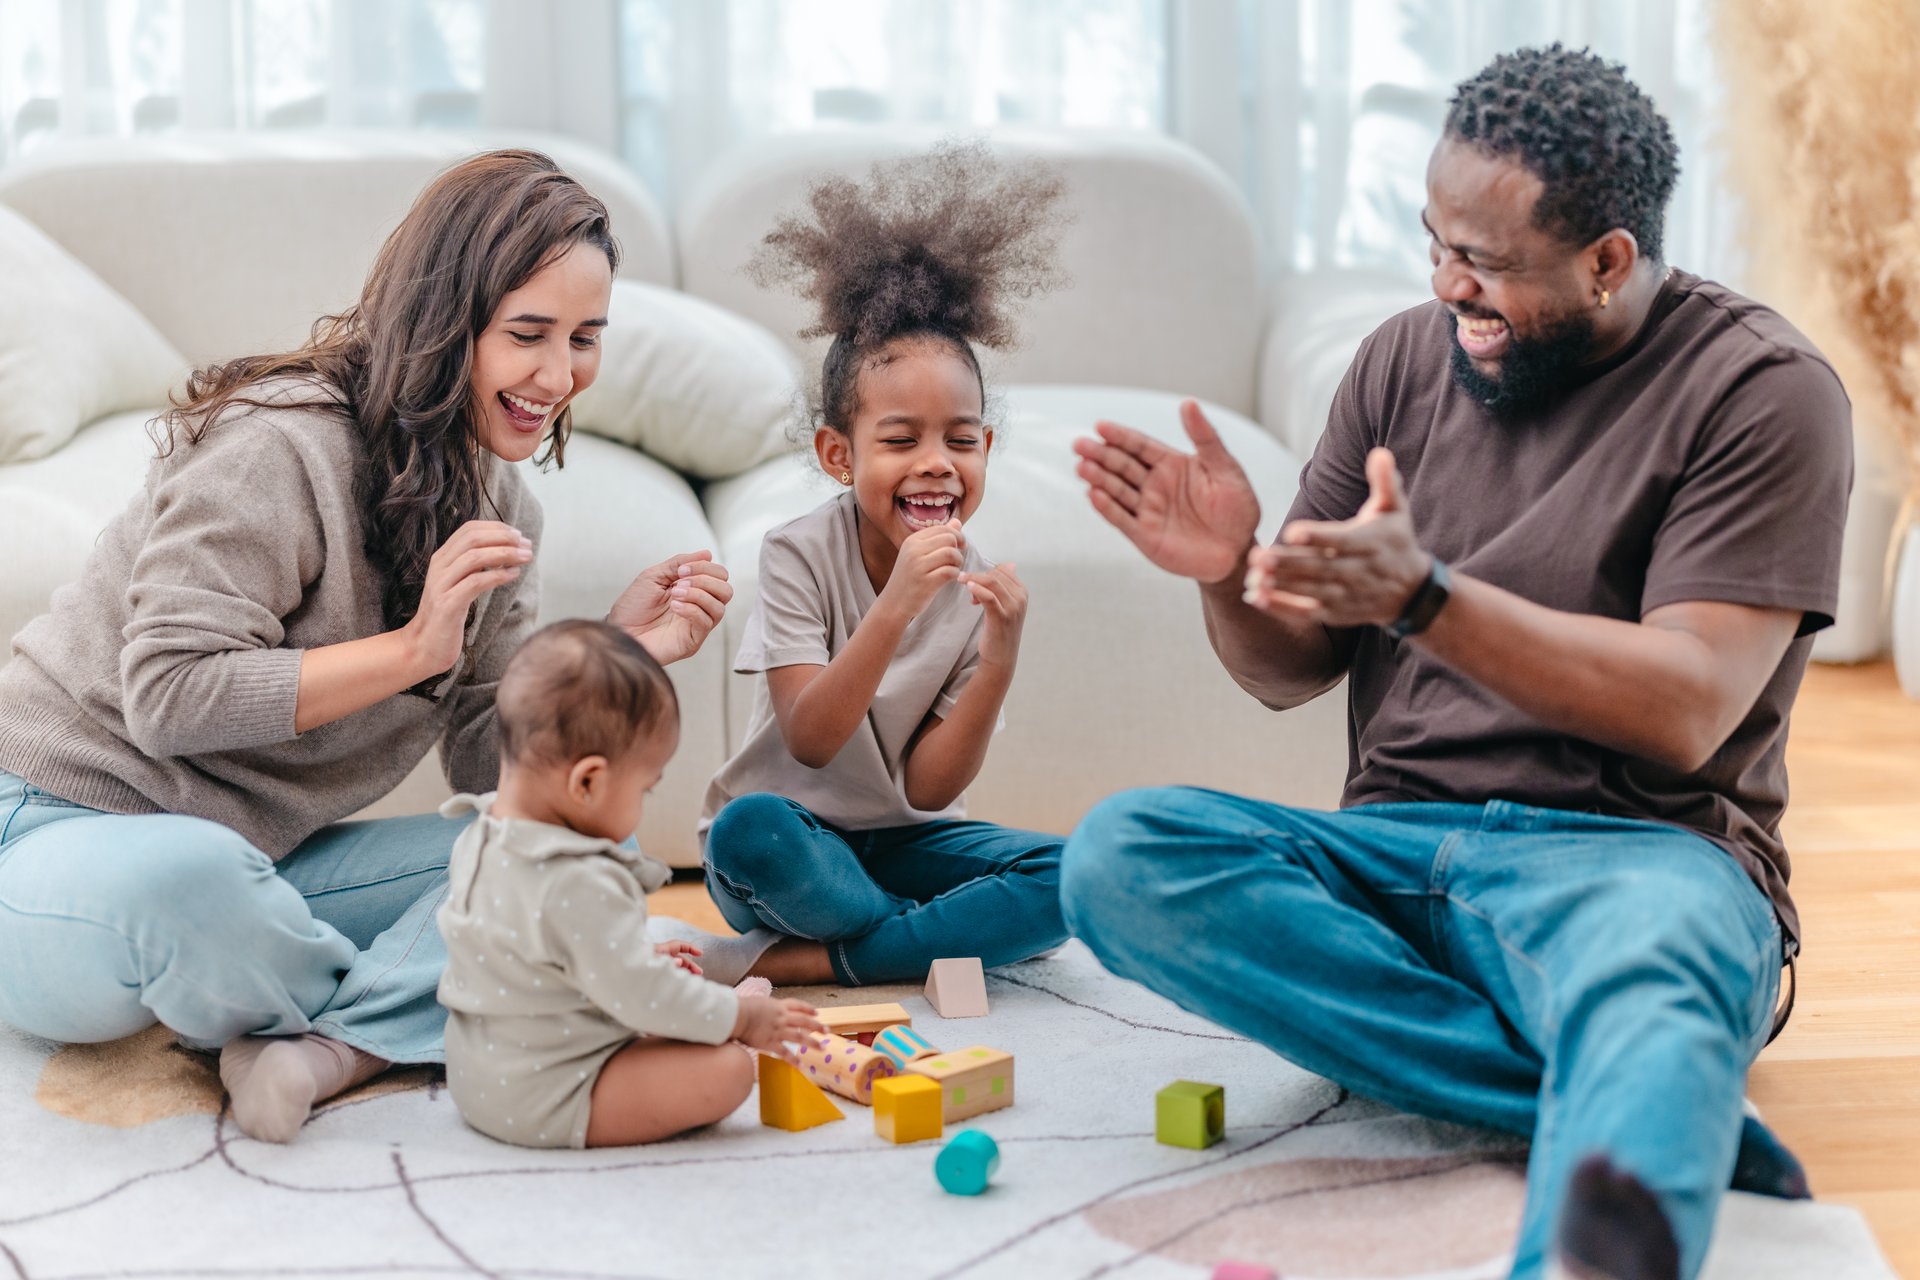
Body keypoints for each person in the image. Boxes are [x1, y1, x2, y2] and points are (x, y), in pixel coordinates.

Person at [1062, 45, 1850, 1280]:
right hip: (1393, 853)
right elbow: (1292, 668)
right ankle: (1645, 1103)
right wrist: (1226, 568)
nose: (1446, 284)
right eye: (1434, 241)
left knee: (1658, 963)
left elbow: (1688, 705)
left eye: (1484, 264)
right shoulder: (1397, 360)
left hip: (1639, 861)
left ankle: (1620, 1142)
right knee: (1122, 854)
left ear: (1608, 261)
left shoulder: (1761, 390)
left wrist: (1429, 601)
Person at [0, 149, 733, 1144]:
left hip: (266, 860)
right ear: (446, 321)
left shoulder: (497, 506)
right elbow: (167, 697)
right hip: (56, 831)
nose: (560, 376)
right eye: (528, 333)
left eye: (585, 339)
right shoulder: (279, 443)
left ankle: (323, 1046)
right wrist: (411, 648)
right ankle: (487, 996)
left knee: (554, 856)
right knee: (192, 883)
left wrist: (616, 653)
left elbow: (493, 765)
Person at [692, 146, 1071, 987]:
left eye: (961, 441)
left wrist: (1000, 658)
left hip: (907, 843)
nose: (936, 462)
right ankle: (934, 938)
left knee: (1072, 876)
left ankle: (814, 961)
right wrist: (893, 608)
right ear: (838, 453)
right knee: (749, 834)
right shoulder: (795, 553)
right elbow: (814, 739)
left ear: (987, 449)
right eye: (900, 440)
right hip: (795, 845)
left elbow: (931, 794)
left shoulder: (974, 586)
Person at [437, 620, 821, 1148]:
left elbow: (529, 953)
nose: (644, 804)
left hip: (475, 1075)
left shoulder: (480, 836)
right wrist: (742, 1016)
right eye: (646, 787)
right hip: (549, 1094)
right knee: (728, 1068)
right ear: (588, 782)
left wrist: (635, 952)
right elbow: (643, 997)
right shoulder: (581, 879)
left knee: (667, 1014)